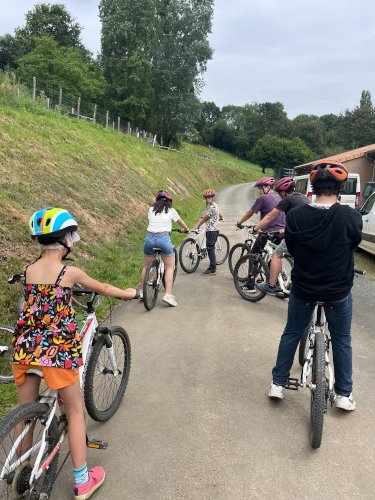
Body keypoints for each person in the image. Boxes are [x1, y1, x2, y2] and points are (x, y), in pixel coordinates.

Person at [11, 207, 139, 500]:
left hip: (26, 347)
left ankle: (22, 466)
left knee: (25, 415)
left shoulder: (30, 269)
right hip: (56, 352)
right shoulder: (70, 272)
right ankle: (82, 481)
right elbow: (104, 288)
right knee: (75, 410)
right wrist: (128, 293)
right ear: (66, 239)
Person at [268, 161, 362, 411]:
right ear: (339, 188)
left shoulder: (296, 216)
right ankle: (343, 394)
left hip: (304, 288)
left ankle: (277, 383)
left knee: (291, 332)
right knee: (342, 339)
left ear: (313, 187)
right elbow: (353, 245)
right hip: (338, 291)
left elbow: (294, 250)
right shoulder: (351, 217)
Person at [254, 177, 310, 295]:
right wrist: (286, 229)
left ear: (284, 191)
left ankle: (271, 285)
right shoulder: (303, 198)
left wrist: (255, 228)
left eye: (279, 192)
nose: (279, 195)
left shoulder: (287, 199)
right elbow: (302, 219)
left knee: (276, 254)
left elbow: (270, 216)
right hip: (309, 235)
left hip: (297, 236)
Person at [141, 190, 189, 306]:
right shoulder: (171, 211)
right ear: (169, 202)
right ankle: (168, 295)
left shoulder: (150, 209)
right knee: (169, 267)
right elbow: (181, 222)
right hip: (163, 238)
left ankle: (143, 292)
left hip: (149, 238)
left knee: (146, 266)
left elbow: (152, 222)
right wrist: (187, 229)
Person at [236, 177, 285, 291]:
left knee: (254, 255)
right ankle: (275, 284)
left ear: (267, 187)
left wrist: (240, 222)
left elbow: (250, 213)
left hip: (268, 232)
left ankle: (250, 285)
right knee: (274, 257)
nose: (259, 191)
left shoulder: (263, 198)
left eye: (260, 188)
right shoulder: (279, 197)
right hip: (282, 232)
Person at [192, 189, 223, 275]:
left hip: (212, 231)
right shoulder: (214, 205)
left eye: (209, 197)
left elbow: (205, 218)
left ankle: (212, 268)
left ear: (212, 198)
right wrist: (221, 216)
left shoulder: (211, 207)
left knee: (210, 249)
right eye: (206, 198)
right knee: (210, 247)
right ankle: (212, 266)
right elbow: (219, 212)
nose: (207, 199)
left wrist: (198, 225)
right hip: (212, 230)